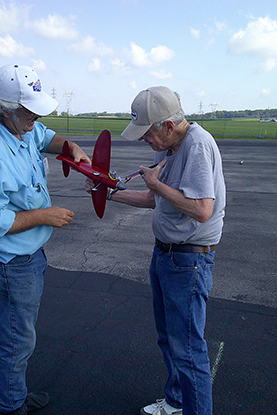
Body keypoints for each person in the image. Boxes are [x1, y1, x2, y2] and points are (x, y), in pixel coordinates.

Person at [0, 64, 90, 415]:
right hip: (9, 263)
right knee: (16, 340)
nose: (35, 115)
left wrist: (72, 145)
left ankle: (13, 394)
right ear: (4, 110)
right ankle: (9, 407)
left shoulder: (21, 126)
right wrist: (44, 216)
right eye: (29, 109)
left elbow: (45, 137)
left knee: (20, 336)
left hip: (28, 255)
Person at [101, 86, 226, 415]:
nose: (146, 142)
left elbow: (201, 209)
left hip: (189, 259)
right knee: (169, 339)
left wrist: (156, 184)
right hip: (167, 255)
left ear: (168, 126)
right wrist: (109, 193)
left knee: (187, 348)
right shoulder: (168, 147)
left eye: (147, 135)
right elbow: (152, 199)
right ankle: (176, 401)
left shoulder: (198, 145)